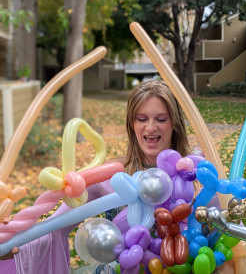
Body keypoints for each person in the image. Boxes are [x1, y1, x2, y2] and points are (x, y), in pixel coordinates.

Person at [0, 79, 197, 273]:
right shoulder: (111, 175)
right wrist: (15, 242)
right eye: (142, 119)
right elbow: (55, 227)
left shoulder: (194, 177)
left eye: (161, 119)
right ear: (132, 124)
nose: (151, 128)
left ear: (175, 123)